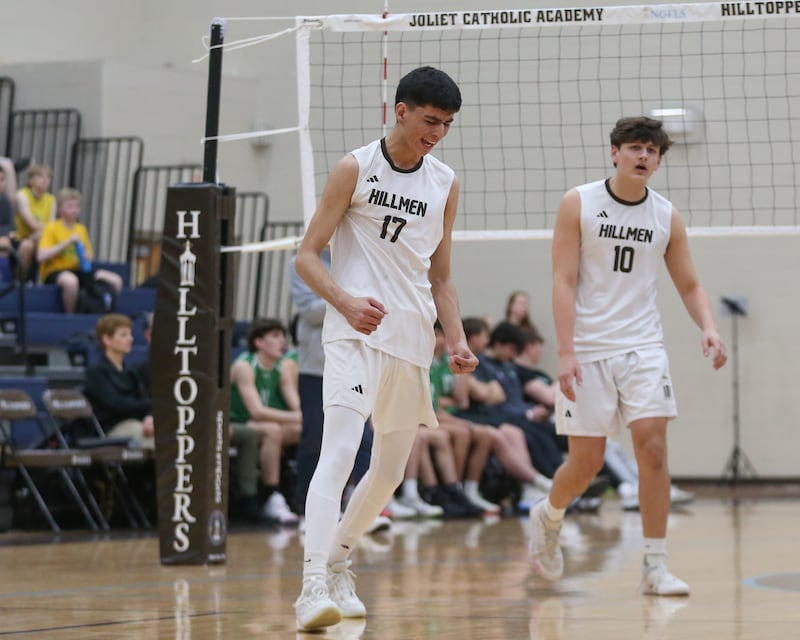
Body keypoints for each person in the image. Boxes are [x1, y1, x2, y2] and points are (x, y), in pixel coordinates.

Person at [293, 66, 478, 632]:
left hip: (412, 339)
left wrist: (457, 339)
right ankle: (311, 587)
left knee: (389, 473)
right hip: (355, 334)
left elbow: (441, 277)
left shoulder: (445, 182)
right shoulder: (355, 167)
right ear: (401, 111)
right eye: (430, 121)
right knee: (340, 451)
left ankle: (339, 561)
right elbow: (306, 256)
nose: (437, 133)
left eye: (446, 125)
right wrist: (345, 302)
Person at [528, 116, 727, 596]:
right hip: (588, 348)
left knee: (653, 451)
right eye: (635, 147)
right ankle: (548, 515)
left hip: (643, 346)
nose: (643, 156)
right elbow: (563, 281)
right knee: (587, 465)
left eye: (651, 151)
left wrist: (708, 326)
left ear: (658, 162)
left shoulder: (665, 216)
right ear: (614, 152)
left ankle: (655, 565)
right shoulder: (579, 203)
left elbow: (690, 284)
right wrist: (566, 352)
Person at [229, 318, 301, 525]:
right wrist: (300, 416)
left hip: (264, 424)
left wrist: (303, 417)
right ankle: (271, 494)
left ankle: (301, 491)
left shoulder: (282, 368)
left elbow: (296, 406)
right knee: (272, 431)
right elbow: (256, 412)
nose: (282, 341)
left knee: (306, 430)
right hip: (238, 422)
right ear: (259, 342)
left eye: (283, 336)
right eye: (275, 336)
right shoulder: (245, 365)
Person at [36, 188, 123, 313]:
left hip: (80, 270)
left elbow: (88, 254)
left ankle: (107, 313)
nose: (75, 210)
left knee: (116, 280)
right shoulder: (51, 228)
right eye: (70, 206)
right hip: (56, 270)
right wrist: (66, 243)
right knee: (71, 282)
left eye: (77, 206)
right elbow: (41, 256)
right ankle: (71, 316)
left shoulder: (81, 229)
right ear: (60, 209)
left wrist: (87, 256)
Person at [83, 313, 154, 448]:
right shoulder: (96, 373)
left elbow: (143, 400)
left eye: (130, 334)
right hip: (111, 429)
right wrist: (152, 404)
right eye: (123, 335)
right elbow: (117, 405)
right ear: (107, 339)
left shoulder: (132, 372)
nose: (131, 339)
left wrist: (149, 417)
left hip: (136, 424)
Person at [15, 163, 56, 281]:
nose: (45, 180)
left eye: (48, 177)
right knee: (27, 245)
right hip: (21, 238)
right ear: (30, 180)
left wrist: (41, 233)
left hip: (39, 238)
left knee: (48, 243)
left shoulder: (51, 199)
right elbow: (32, 224)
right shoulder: (22, 195)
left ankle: (43, 279)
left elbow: (52, 228)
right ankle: (20, 281)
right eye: (40, 176)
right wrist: (43, 231)